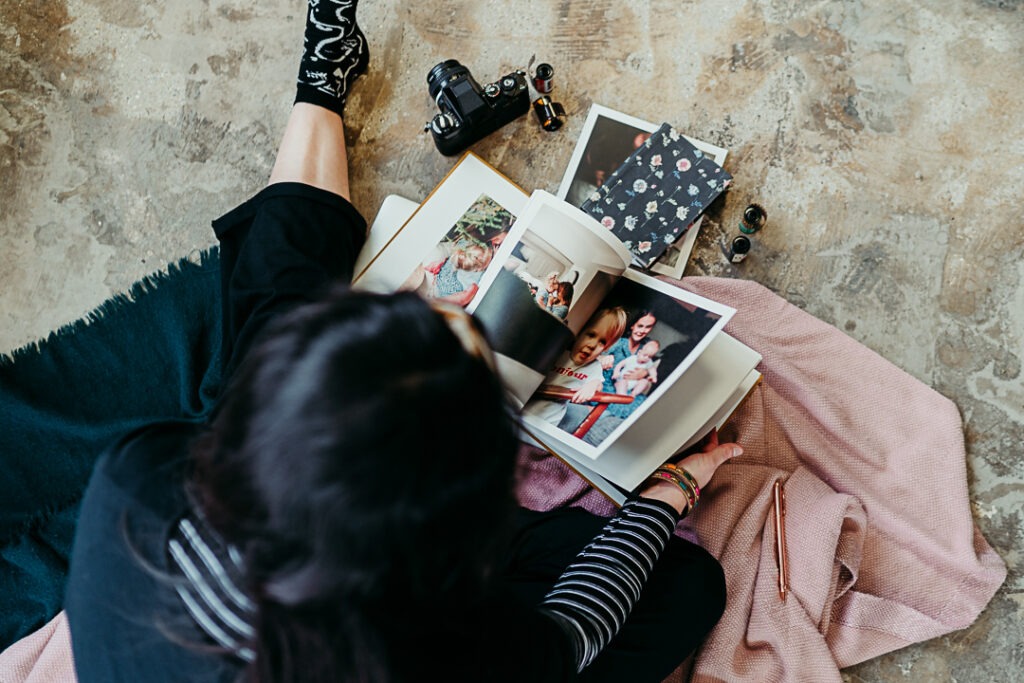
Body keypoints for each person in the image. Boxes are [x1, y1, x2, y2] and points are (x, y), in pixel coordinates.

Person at [64, 3, 741, 682]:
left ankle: (320, 89)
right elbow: (568, 635)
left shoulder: (137, 476)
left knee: (279, 313)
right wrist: (669, 492)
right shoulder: (422, 647)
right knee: (685, 585)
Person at [524, 307, 627, 428]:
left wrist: (591, 386)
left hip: (548, 422)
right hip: (523, 410)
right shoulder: (559, 353)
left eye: (602, 342)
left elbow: (597, 383)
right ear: (579, 331)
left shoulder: (594, 366)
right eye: (591, 335)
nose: (593, 345)